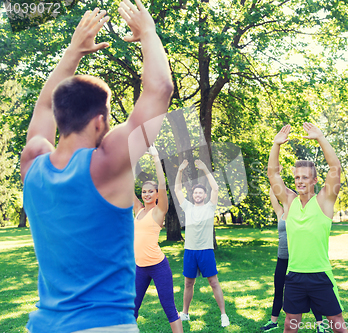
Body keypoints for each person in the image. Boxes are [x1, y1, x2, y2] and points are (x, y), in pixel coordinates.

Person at [20, 0, 173, 331]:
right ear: (100, 122)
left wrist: (73, 51)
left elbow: (43, 108)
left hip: (44, 325)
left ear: (60, 118)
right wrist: (148, 31)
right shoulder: (105, 165)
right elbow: (160, 90)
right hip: (104, 325)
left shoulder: (32, 163)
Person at [267, 123, 348, 333]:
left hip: (320, 275)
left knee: (337, 325)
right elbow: (273, 175)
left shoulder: (324, 201)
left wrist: (320, 137)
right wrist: (276, 145)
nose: (299, 181)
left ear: (314, 180)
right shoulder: (289, 201)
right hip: (294, 275)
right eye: (296, 177)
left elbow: (335, 169)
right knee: (289, 326)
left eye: (304, 177)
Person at [260, 182, 328, 333]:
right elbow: (273, 194)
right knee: (278, 290)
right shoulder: (280, 212)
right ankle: (273, 321)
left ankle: (320, 323)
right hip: (282, 258)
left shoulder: (299, 213)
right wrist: (274, 181)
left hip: (298, 260)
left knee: (310, 292)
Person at [132, 146, 183, 333]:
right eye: (144, 191)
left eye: (150, 192)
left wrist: (155, 158)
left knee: (169, 309)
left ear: (156, 195)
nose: (146, 194)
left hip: (158, 266)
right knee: (131, 310)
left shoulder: (159, 211)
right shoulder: (138, 209)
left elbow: (162, 184)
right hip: (139, 267)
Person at [174, 159, 230, 327]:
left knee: (213, 282)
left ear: (204, 196)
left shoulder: (210, 208)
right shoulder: (188, 207)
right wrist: (180, 171)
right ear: (193, 195)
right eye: (195, 193)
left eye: (200, 193)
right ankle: (185, 313)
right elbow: (177, 189)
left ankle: (223, 315)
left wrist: (205, 169)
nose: (197, 195)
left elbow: (216, 188)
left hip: (206, 251)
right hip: (190, 251)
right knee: (188, 283)